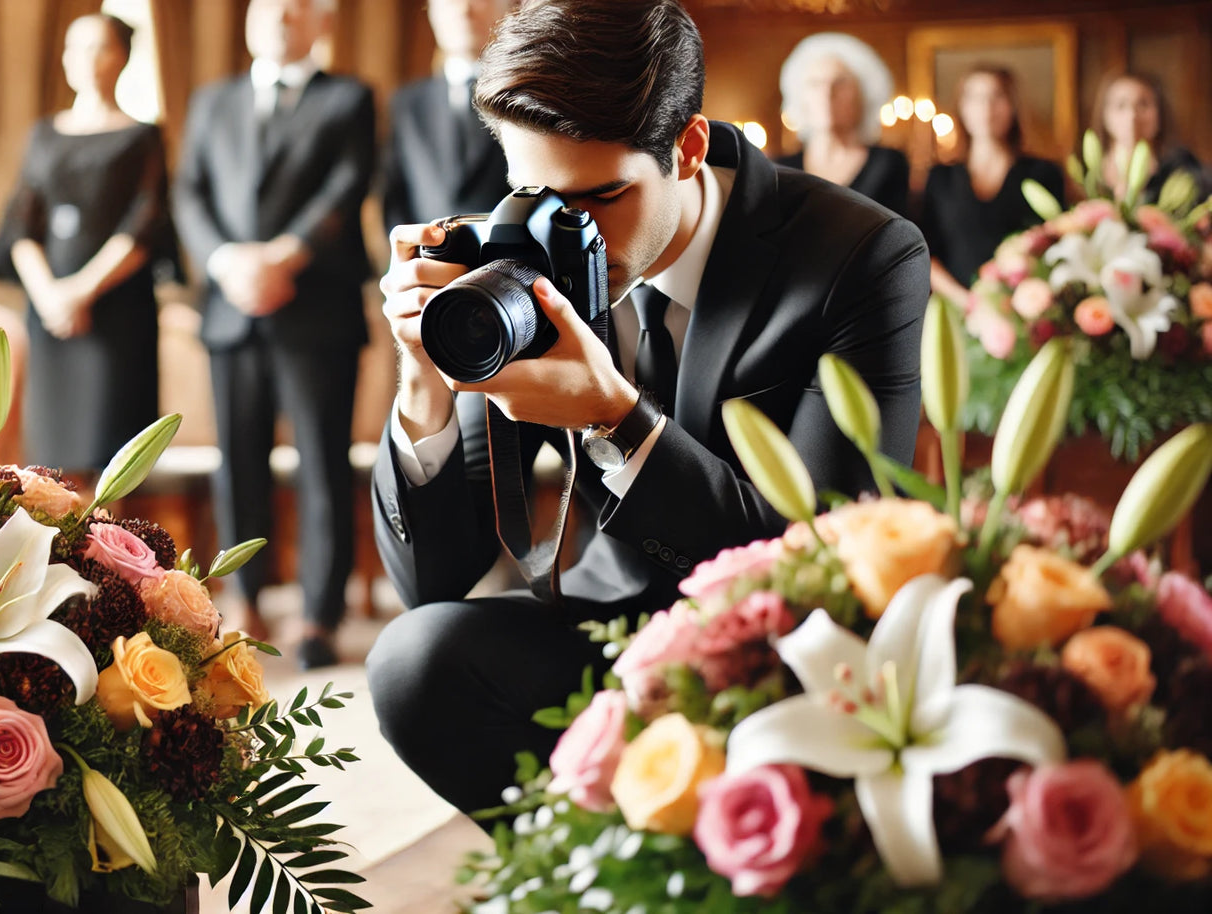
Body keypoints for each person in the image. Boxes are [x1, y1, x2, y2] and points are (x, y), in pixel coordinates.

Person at [366, 0, 930, 817]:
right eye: (537, 191)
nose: (567, 234)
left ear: (689, 147)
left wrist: (614, 416)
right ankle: (573, 882)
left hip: (793, 652)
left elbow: (822, 566)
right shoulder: (520, 242)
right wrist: (422, 381)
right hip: (613, 620)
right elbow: (434, 580)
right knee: (415, 659)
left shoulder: (859, 255)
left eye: (600, 199)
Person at [172, 0, 375, 669]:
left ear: (321, 24)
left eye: (295, 11)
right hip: (231, 309)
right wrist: (228, 263)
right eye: (269, 10)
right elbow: (190, 193)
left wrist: (283, 257)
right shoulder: (212, 100)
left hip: (314, 305)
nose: (279, 20)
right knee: (240, 465)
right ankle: (247, 598)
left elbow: (345, 188)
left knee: (321, 465)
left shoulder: (349, 99)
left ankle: (320, 613)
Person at [0, 14, 168, 471]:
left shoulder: (143, 136)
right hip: (49, 318)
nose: (83, 59)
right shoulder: (43, 134)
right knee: (51, 464)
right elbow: (21, 225)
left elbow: (144, 224)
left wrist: (81, 291)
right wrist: (50, 295)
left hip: (116, 314)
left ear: (121, 57)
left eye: (96, 47)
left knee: (113, 458)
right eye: (74, 48)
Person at [918, 65, 1064, 306]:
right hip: (955, 309)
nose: (986, 107)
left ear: (1013, 106)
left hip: (1024, 311)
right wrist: (968, 303)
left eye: (997, 96)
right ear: (961, 107)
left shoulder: (1042, 173)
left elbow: (1054, 246)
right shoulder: (940, 177)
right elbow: (924, 253)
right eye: (974, 97)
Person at [381, 0, 514, 233]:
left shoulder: (525, 96)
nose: (464, 9)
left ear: (508, 8)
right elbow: (393, 194)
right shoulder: (407, 103)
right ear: (431, 13)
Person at [775, 32, 910, 216]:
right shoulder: (781, 170)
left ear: (863, 95)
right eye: (815, 84)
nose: (827, 94)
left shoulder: (888, 164)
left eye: (840, 83)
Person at [1092, 70, 1209, 206]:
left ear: (1160, 113)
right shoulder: (1088, 173)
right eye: (1121, 105)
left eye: (1143, 104)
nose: (1132, 116)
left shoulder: (1183, 168)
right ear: (1104, 114)